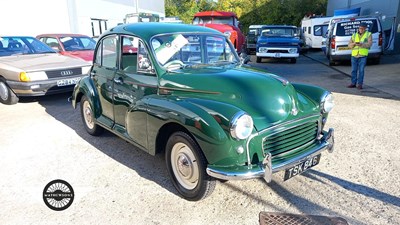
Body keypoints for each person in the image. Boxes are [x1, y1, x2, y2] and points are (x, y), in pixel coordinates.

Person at [347, 22, 372, 90]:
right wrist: (354, 44)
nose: (361, 29)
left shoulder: (368, 34)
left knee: (361, 70)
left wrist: (361, 44)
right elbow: (349, 45)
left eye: (363, 28)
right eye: (360, 28)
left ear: (365, 29)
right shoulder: (354, 35)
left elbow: (369, 44)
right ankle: (353, 83)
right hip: (354, 55)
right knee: (353, 70)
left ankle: (360, 84)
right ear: (358, 28)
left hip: (363, 55)